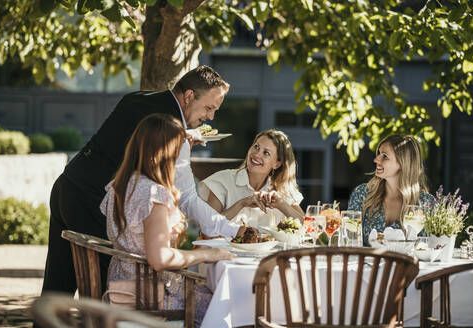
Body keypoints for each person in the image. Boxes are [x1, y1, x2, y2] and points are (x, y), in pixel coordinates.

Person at [41, 65, 246, 297]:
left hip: (67, 186)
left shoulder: (140, 99)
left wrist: (181, 141)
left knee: (56, 288)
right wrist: (233, 231)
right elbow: (187, 197)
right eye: (209, 108)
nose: (210, 117)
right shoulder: (172, 130)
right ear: (188, 96)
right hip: (92, 201)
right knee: (105, 296)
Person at [100, 114, 234, 326]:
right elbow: (159, 258)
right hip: (149, 296)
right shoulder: (153, 193)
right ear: (165, 153)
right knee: (228, 306)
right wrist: (206, 254)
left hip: (121, 286)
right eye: (179, 151)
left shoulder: (121, 184)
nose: (181, 159)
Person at [198, 129, 304, 228]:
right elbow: (207, 227)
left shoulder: (282, 190)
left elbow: (308, 226)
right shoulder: (222, 180)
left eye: (266, 153)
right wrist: (242, 203)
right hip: (223, 248)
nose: (257, 154)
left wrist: (281, 204)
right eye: (256, 146)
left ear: (277, 164)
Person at [347, 134, 433, 246]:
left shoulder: (426, 203)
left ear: (403, 163)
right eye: (378, 154)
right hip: (366, 263)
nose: (376, 159)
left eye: (385, 156)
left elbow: (428, 247)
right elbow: (349, 238)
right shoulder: (362, 194)